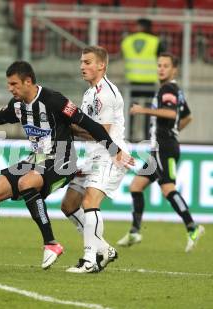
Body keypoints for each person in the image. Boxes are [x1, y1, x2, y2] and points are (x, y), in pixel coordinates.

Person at [0, 60, 133, 270]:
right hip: (36, 159)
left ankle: (51, 244)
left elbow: (89, 124)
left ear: (28, 81)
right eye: (9, 84)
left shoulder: (54, 100)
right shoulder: (17, 105)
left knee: (28, 182)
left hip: (62, 160)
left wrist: (114, 150)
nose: (10, 88)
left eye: (14, 84)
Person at [117, 52, 205, 252]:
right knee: (136, 186)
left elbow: (172, 113)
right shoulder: (176, 91)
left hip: (163, 148)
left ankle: (192, 227)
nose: (161, 69)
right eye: (159, 65)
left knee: (168, 188)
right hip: (161, 147)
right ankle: (135, 231)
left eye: (166, 65)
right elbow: (187, 116)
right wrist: (174, 130)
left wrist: (144, 110)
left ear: (174, 69)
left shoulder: (168, 88)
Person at [60, 46, 129, 273]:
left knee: (90, 202)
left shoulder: (105, 94)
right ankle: (104, 249)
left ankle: (90, 260)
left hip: (111, 155)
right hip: (92, 156)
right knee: (69, 205)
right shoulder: (89, 92)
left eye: (88, 62)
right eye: (81, 62)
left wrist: (68, 129)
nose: (82, 66)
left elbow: (103, 132)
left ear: (102, 65)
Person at [121, 18, 165, 140]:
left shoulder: (127, 41)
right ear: (150, 27)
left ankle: (129, 136)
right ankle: (148, 137)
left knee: (131, 111)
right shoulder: (155, 41)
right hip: (149, 82)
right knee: (148, 111)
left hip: (132, 81)